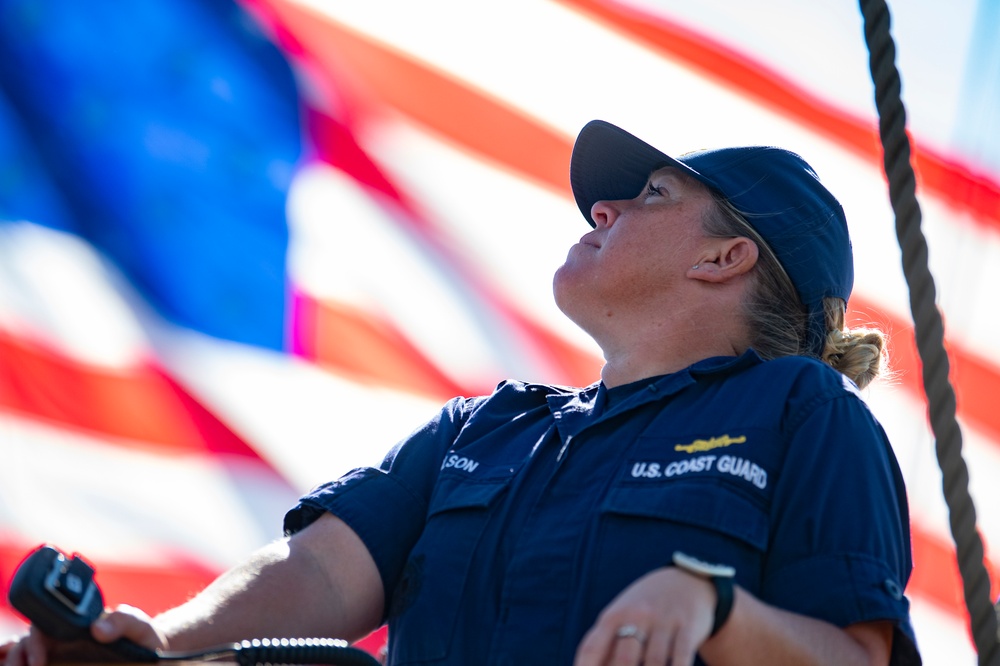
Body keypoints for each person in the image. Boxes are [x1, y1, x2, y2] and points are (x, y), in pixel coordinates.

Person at [1, 119, 921, 665]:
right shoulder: (488, 427)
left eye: (647, 194)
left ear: (726, 258)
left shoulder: (805, 414)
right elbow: (323, 572)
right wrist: (158, 644)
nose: (602, 209)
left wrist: (717, 609)